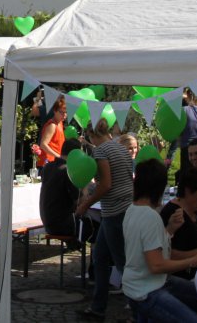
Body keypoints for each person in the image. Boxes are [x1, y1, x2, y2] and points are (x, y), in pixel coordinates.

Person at [123, 158, 197, 323]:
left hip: (145, 284)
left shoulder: (132, 209)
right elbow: (156, 265)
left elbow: (145, 245)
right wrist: (194, 260)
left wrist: (170, 229)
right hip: (148, 291)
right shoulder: (150, 216)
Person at [76, 118, 133, 320]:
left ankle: (138, 308)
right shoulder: (120, 148)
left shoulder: (101, 151)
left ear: (91, 135)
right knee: (100, 258)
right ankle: (98, 307)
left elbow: (106, 184)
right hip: (125, 206)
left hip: (115, 210)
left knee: (121, 261)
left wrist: (85, 204)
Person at [160, 167, 197, 279]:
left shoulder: (195, 210)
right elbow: (168, 254)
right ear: (188, 191)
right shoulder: (173, 213)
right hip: (184, 277)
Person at [40, 138, 96, 246]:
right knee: (96, 224)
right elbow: (80, 201)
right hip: (63, 224)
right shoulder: (68, 171)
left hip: (47, 222)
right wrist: (85, 186)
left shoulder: (47, 167)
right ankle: (94, 254)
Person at [170, 88, 197, 167]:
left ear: (187, 96)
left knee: (189, 174)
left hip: (189, 149)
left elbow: (176, 131)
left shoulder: (183, 111)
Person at [36, 96, 67, 167]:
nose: (64, 115)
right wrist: (59, 156)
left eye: (66, 112)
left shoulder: (60, 122)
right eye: (62, 112)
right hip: (47, 163)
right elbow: (43, 144)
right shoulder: (52, 125)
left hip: (53, 162)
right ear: (55, 111)